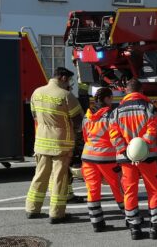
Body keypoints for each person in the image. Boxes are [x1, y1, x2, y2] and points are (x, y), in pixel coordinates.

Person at [109, 79, 157, 240]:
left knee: (130, 191)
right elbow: (152, 131)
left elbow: (114, 135)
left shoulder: (116, 111)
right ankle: (156, 227)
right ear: (141, 90)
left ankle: (135, 229)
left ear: (126, 91)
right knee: (154, 188)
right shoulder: (148, 107)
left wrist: (127, 151)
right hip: (147, 157)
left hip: (126, 159)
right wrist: (140, 147)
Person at [25, 67, 83, 223]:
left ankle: (32, 209)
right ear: (63, 78)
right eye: (69, 80)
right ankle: (57, 214)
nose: (69, 84)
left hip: (41, 142)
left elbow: (34, 115)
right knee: (59, 178)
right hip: (61, 144)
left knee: (40, 175)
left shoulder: (36, 92)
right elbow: (78, 122)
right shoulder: (66, 96)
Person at [80, 87, 124, 232]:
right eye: (111, 98)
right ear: (106, 99)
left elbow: (85, 137)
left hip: (88, 157)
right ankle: (130, 216)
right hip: (107, 158)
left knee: (92, 190)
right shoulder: (111, 115)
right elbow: (116, 136)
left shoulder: (87, 116)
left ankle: (97, 223)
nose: (112, 101)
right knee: (118, 188)